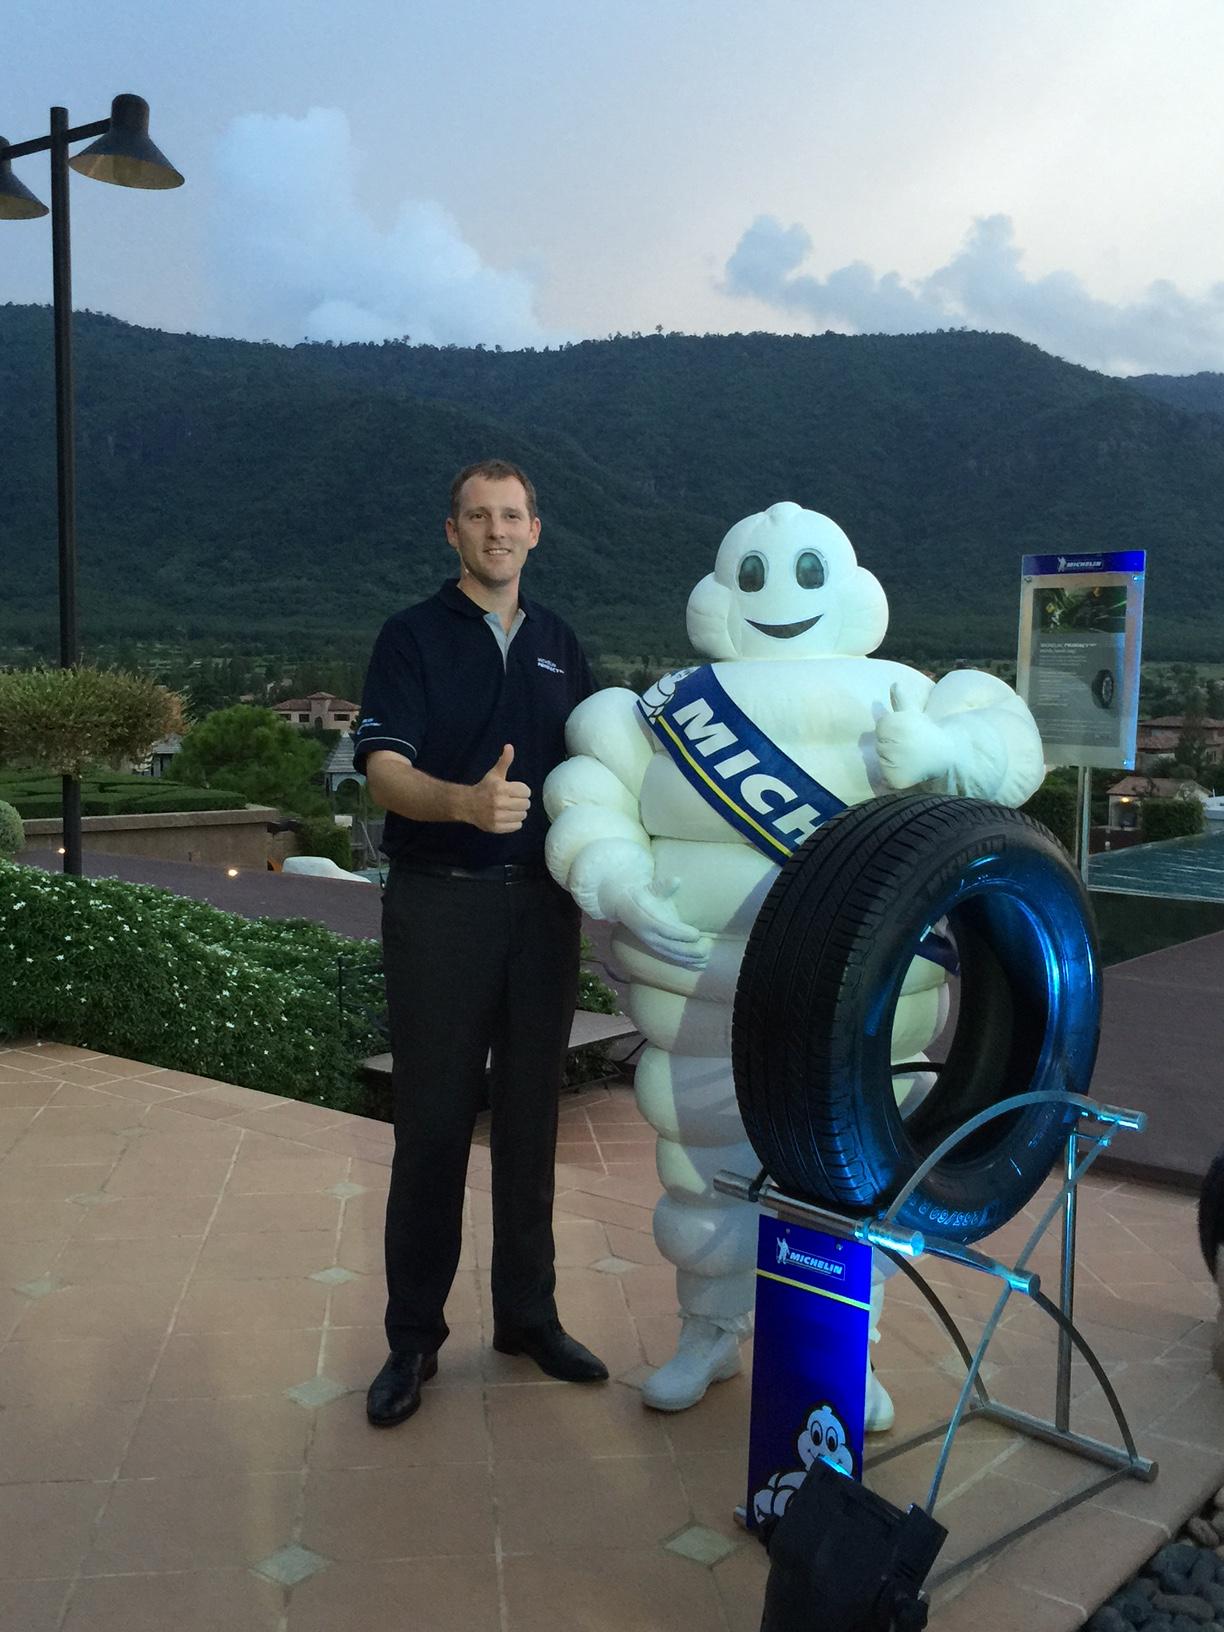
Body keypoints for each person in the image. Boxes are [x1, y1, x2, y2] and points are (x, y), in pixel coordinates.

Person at [543, 500, 1044, 1416]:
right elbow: (592, 793)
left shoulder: (904, 692)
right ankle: (708, 1331)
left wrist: (939, 749)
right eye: (756, 575)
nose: (781, 592)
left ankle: (847, 1351)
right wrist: (619, 881)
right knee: (706, 1171)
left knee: (862, 1173)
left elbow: (1009, 749)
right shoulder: (669, 710)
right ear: (720, 592)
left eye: (808, 573)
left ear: (848, 588)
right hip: (704, 998)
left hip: (862, 1006)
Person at [355, 458, 608, 1428]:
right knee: (432, 1127)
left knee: (532, 1123)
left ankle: (527, 1317)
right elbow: (383, 769)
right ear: (452, 531)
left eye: (512, 516)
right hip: (441, 906)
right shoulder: (412, 636)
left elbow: (602, 766)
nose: (497, 530)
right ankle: (413, 1339)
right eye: (478, 516)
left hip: (542, 911)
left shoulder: (559, 644)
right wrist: (463, 804)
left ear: (535, 530)